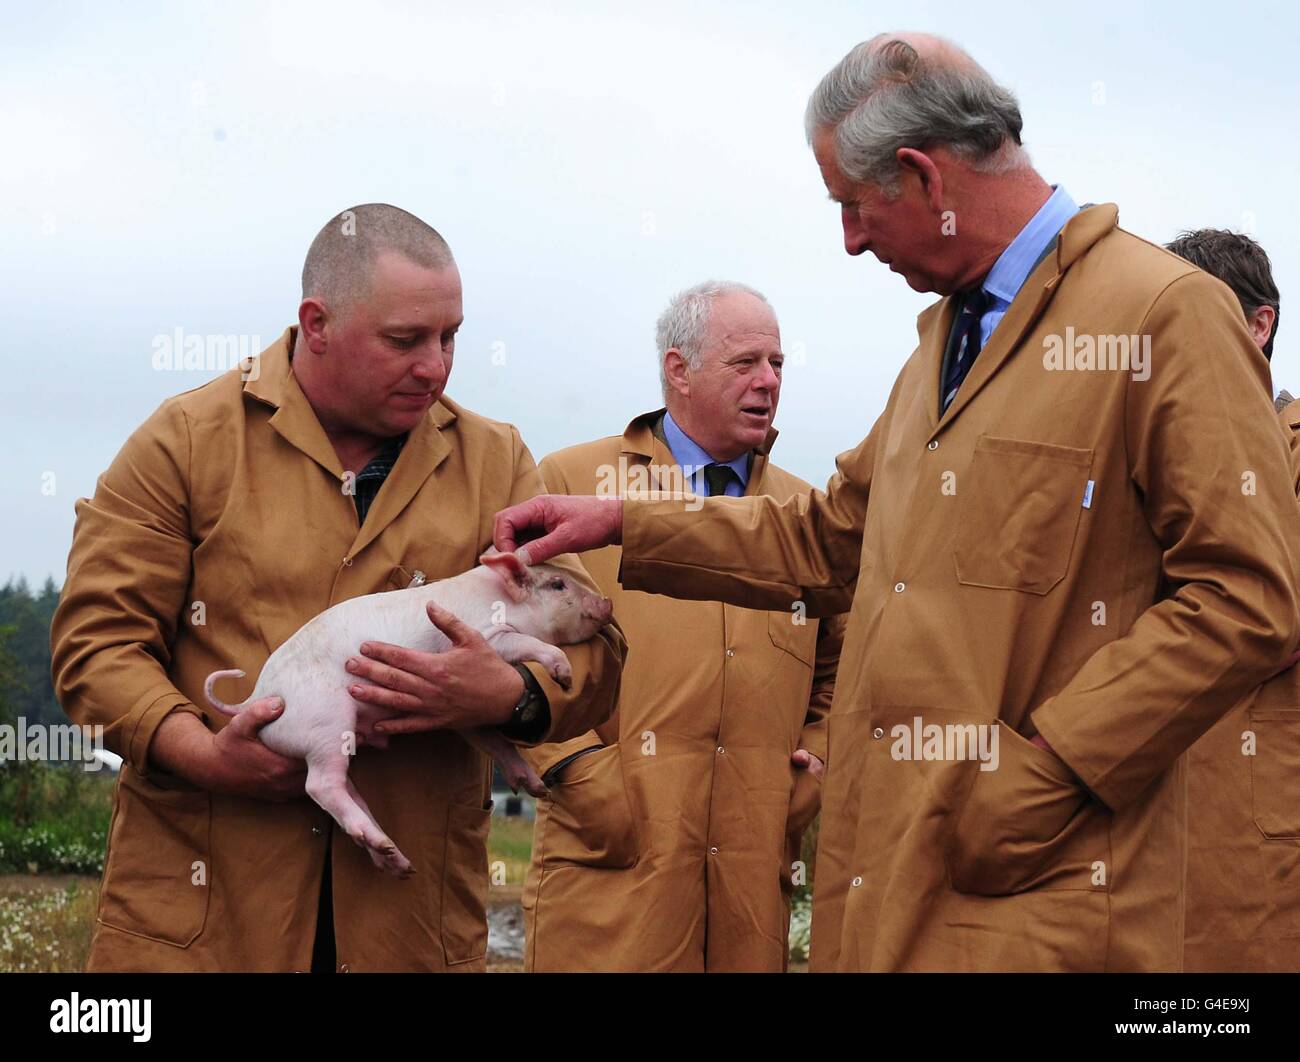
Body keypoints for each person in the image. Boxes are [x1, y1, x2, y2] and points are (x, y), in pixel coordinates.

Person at [493, 35, 1300, 971]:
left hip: (1040, 899)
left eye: (852, 204)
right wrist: (626, 520)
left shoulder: (1163, 313)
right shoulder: (940, 350)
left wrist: (1049, 772)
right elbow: (835, 535)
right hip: (886, 887)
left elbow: (1248, 597)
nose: (851, 240)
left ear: (922, 175)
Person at [50, 203, 624, 972]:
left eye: (450, 336)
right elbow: (96, 647)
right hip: (205, 926)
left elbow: (595, 648)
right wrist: (205, 753)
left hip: (409, 928)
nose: (436, 366)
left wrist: (508, 697)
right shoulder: (184, 442)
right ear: (316, 323)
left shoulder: (498, 460)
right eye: (405, 340)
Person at [520, 281, 845, 971]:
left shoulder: (807, 517)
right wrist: (579, 774)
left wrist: (816, 763)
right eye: (745, 363)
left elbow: (844, 667)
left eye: (778, 365)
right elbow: (510, 652)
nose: (768, 382)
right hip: (609, 876)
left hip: (750, 886)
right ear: (678, 370)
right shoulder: (572, 483)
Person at [1166, 228, 1298, 972]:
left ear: (1259, 324)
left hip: (1262, 822)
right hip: (1148, 811)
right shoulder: (1153, 453)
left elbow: (1269, 617)